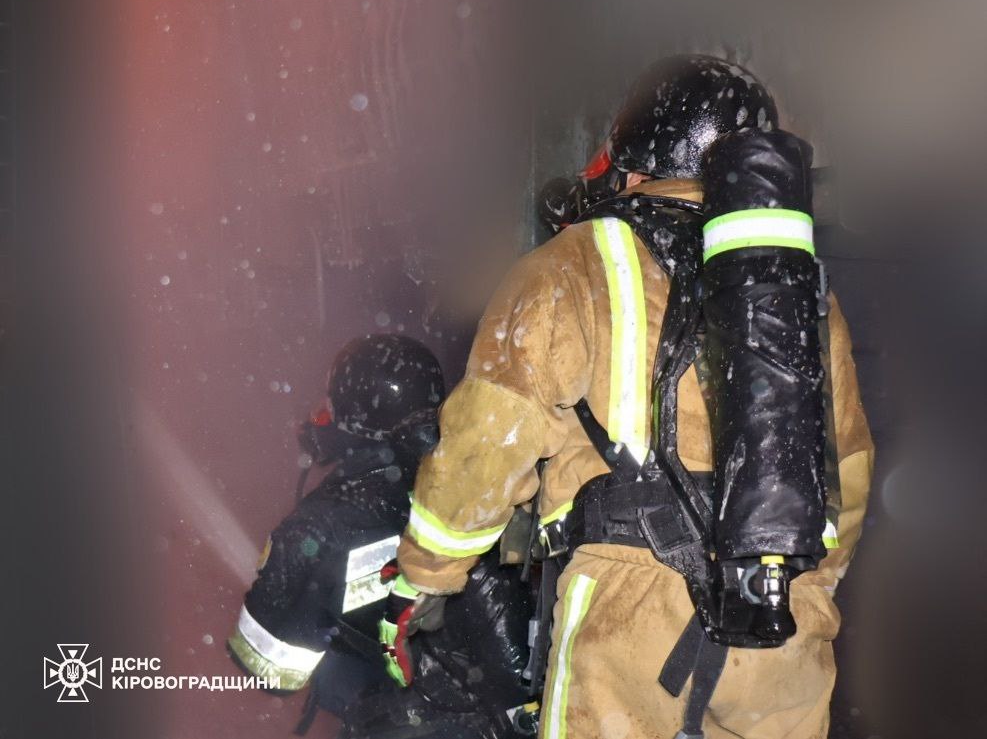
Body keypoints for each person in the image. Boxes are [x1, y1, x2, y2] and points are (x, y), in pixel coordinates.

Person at [386, 55, 875, 739]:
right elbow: (846, 470)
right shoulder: (798, 292)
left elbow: (488, 440)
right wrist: (801, 585)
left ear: (636, 158)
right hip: (780, 617)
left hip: (627, 616)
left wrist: (425, 575)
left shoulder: (575, 260)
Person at [227, 333, 533, 737]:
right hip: (511, 717)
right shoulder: (484, 485)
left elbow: (272, 670)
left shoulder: (320, 525)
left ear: (350, 415)